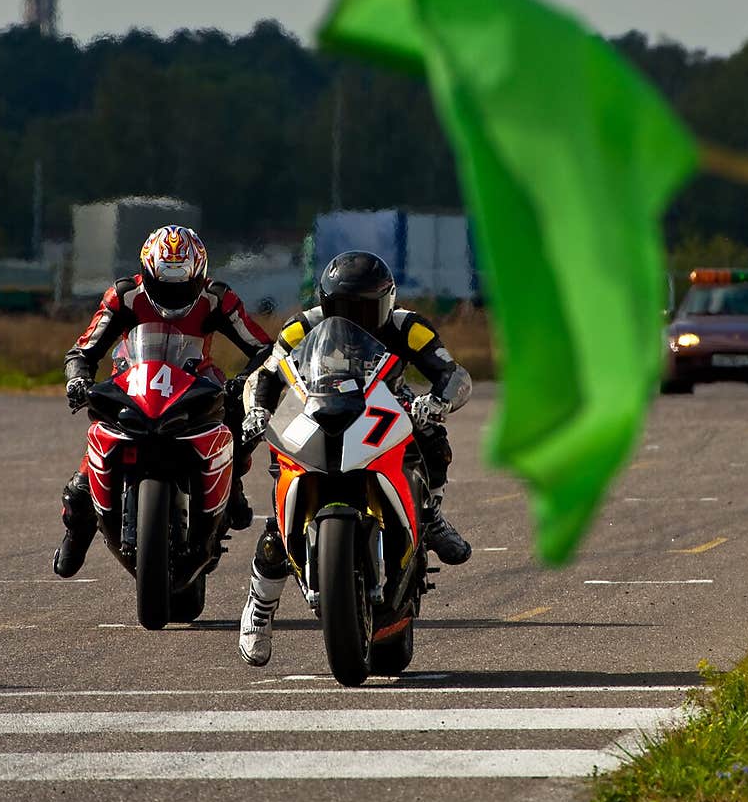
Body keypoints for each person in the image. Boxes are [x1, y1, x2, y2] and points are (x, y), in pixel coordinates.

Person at [237, 249, 473, 666]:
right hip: (316, 405)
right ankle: (259, 608)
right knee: (279, 506)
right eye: (343, 308)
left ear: (385, 301)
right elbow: (268, 372)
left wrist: (436, 402)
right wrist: (257, 409)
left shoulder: (407, 325)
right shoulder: (301, 326)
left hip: (385, 406)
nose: (354, 317)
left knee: (432, 437)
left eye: (363, 307)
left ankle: (431, 510)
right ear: (326, 303)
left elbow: (451, 372)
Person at [53, 224, 272, 578]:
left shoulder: (217, 298)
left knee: (243, 411)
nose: (173, 297)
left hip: (195, 384)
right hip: (133, 383)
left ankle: (233, 484)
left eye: (182, 287)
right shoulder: (123, 296)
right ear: (147, 273)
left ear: (199, 276)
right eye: (164, 287)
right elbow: (84, 348)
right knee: (79, 491)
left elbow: (263, 349)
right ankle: (77, 529)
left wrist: (244, 382)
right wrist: (77, 378)